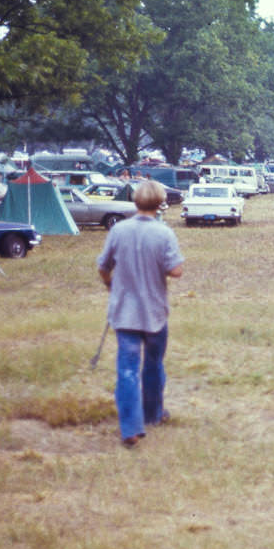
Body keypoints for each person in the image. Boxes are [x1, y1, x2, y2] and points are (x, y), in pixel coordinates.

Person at [97, 181, 185, 447]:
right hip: (155, 313)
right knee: (154, 364)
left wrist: (110, 284)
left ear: (135, 202)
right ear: (160, 204)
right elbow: (176, 271)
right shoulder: (164, 233)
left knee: (127, 370)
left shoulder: (118, 230)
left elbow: (103, 266)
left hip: (124, 313)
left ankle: (130, 429)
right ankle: (153, 414)